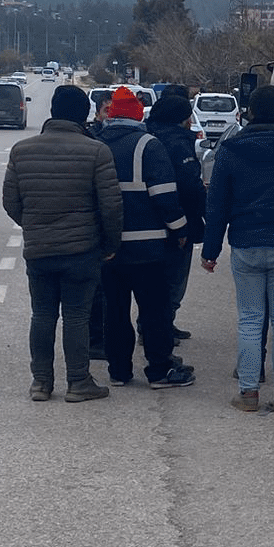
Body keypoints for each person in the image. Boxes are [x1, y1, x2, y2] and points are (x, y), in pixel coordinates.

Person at [203, 84, 274, 412]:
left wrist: (210, 251)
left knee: (251, 319)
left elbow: (217, 205)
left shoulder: (230, 150)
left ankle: (248, 393)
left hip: (246, 244)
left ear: (249, 112)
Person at [1, 84, 122, 403]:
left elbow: (10, 201)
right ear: (85, 115)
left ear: (52, 111)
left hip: (39, 250)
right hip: (82, 250)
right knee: (77, 316)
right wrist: (109, 243)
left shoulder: (21, 150)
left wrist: (33, 225)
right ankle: (78, 381)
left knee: (41, 314)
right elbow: (111, 206)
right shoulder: (96, 151)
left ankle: (41, 382)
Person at [95, 86, 195, 389]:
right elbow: (165, 196)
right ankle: (159, 370)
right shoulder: (147, 146)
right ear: (138, 114)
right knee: (154, 310)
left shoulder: (97, 145)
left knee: (115, 310)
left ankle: (119, 371)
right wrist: (180, 230)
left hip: (109, 248)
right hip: (148, 247)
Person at [146, 92, 207, 342]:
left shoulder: (147, 137)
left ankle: (151, 324)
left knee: (153, 280)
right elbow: (189, 185)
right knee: (174, 279)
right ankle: (162, 326)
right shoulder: (178, 143)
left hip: (148, 220)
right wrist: (203, 216)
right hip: (179, 220)